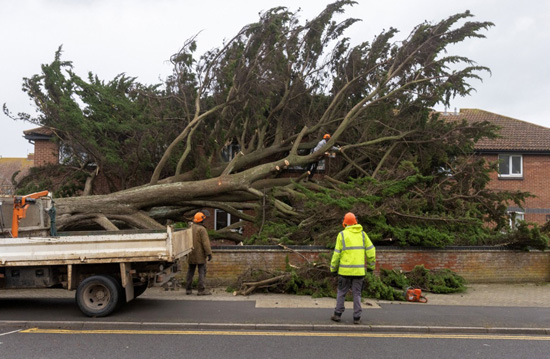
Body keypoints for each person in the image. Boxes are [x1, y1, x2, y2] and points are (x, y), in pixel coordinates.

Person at [330, 212, 376, 324]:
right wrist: (370, 266)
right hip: (359, 272)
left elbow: (337, 254)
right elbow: (371, 251)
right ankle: (357, 317)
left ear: (344, 223)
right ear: (356, 221)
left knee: (341, 292)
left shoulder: (341, 235)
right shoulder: (363, 235)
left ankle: (337, 314)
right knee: (357, 294)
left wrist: (333, 268)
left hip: (344, 271)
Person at [186, 211, 213, 296]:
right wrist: (209, 253)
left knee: (190, 271)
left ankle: (188, 289)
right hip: (200, 255)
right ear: (202, 220)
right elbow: (206, 243)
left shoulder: (190, 228)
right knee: (202, 272)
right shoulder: (202, 229)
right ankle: (201, 290)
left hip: (190, 253)